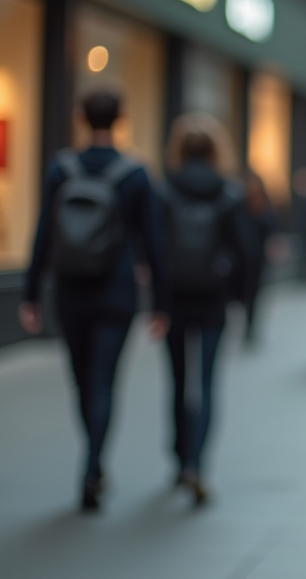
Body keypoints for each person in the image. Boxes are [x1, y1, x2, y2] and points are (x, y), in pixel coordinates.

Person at [18, 87, 169, 512]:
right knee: (104, 380)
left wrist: (30, 293)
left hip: (70, 290)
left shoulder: (61, 168)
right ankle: (93, 466)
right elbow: (153, 242)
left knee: (82, 379)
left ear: (81, 119)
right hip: (117, 291)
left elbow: (44, 232)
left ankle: (92, 461)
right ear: (121, 119)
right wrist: (161, 303)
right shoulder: (136, 173)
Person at [160, 113, 253, 505]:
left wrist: (156, 302)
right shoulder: (229, 193)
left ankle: (180, 458)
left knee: (178, 381)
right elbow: (245, 251)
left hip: (174, 300)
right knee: (208, 384)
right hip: (213, 299)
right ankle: (198, 464)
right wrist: (243, 301)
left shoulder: (165, 190)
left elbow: (155, 248)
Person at [238, 170, 276, 346]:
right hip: (241, 257)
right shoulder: (239, 205)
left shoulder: (264, 206)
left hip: (258, 257)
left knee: (255, 294)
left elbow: (271, 228)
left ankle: (250, 326)